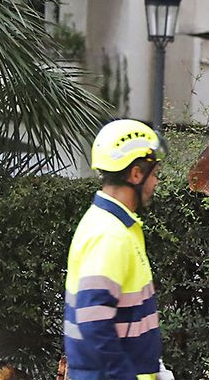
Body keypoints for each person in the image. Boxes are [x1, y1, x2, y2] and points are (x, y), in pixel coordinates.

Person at [64, 119, 171, 380]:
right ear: (136, 174)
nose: (156, 183)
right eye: (154, 174)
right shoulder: (109, 234)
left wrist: (154, 369)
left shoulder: (116, 227)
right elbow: (94, 322)